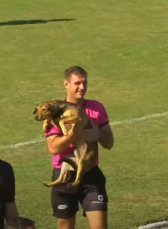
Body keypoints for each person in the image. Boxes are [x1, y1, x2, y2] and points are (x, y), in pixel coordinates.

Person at [44, 66, 114, 229]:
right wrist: (72, 135)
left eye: (84, 83)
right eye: (77, 83)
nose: (82, 87)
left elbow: (109, 143)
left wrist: (98, 134)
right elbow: (53, 148)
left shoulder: (96, 108)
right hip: (64, 177)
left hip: (90, 176)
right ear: (66, 84)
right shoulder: (55, 112)